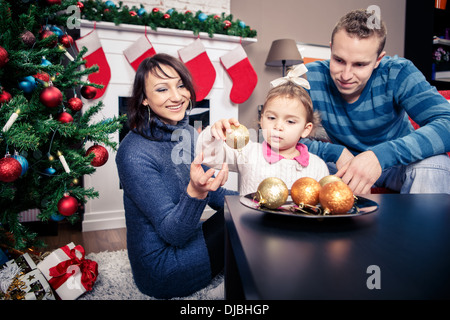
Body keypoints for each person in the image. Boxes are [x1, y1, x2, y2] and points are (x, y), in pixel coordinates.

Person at [115, 53, 236, 299]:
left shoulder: (187, 133)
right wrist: (195, 191)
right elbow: (174, 235)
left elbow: (216, 197)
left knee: (244, 212)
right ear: (144, 99)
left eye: (181, 85)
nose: (177, 96)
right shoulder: (132, 153)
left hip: (184, 237)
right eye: (162, 89)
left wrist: (254, 199)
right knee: (240, 224)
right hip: (162, 269)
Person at [303, 9, 450, 194]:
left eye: (360, 64)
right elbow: (276, 133)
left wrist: (379, 157)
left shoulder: (398, 73)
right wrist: (335, 152)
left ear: (378, 60)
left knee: (436, 165)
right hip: (341, 165)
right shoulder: (308, 77)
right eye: (339, 60)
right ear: (331, 49)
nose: (346, 75)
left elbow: (448, 123)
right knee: (292, 163)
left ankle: (419, 224)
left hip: (397, 164)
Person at [197, 64, 329, 195]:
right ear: (261, 119)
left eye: (290, 121)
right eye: (271, 118)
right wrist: (214, 134)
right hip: (249, 217)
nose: (278, 126)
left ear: (306, 129)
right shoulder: (248, 153)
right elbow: (208, 156)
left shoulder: (317, 167)